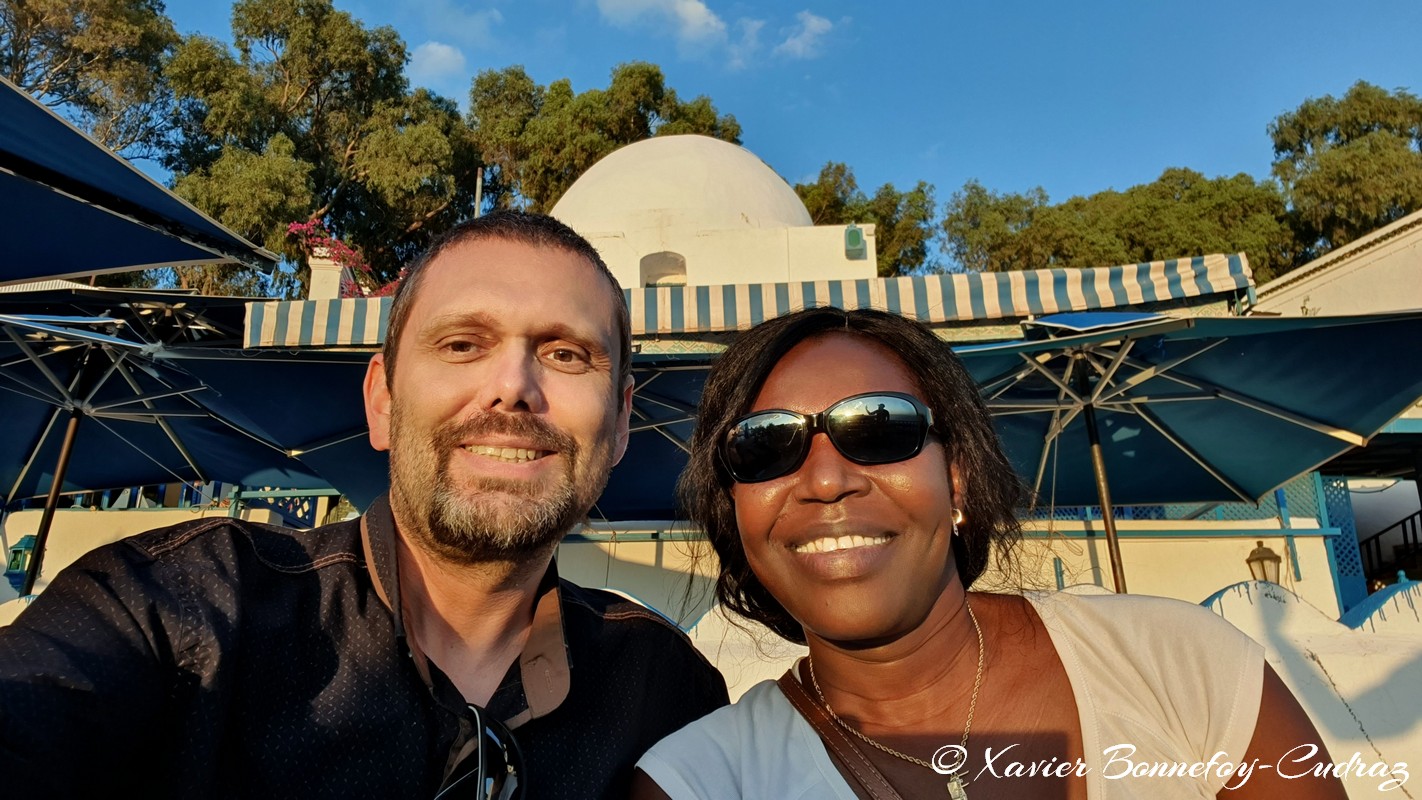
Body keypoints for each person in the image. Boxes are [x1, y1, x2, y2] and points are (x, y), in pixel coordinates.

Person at [0, 211, 728, 798]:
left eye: (567, 354)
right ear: (381, 400)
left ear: (623, 419)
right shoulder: (183, 608)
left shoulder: (665, 690)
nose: (514, 386)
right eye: (463, 343)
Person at [631, 307, 1346, 800]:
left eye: (881, 430)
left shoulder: (1183, 666)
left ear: (957, 479)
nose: (825, 480)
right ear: (735, 511)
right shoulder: (699, 782)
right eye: (766, 444)